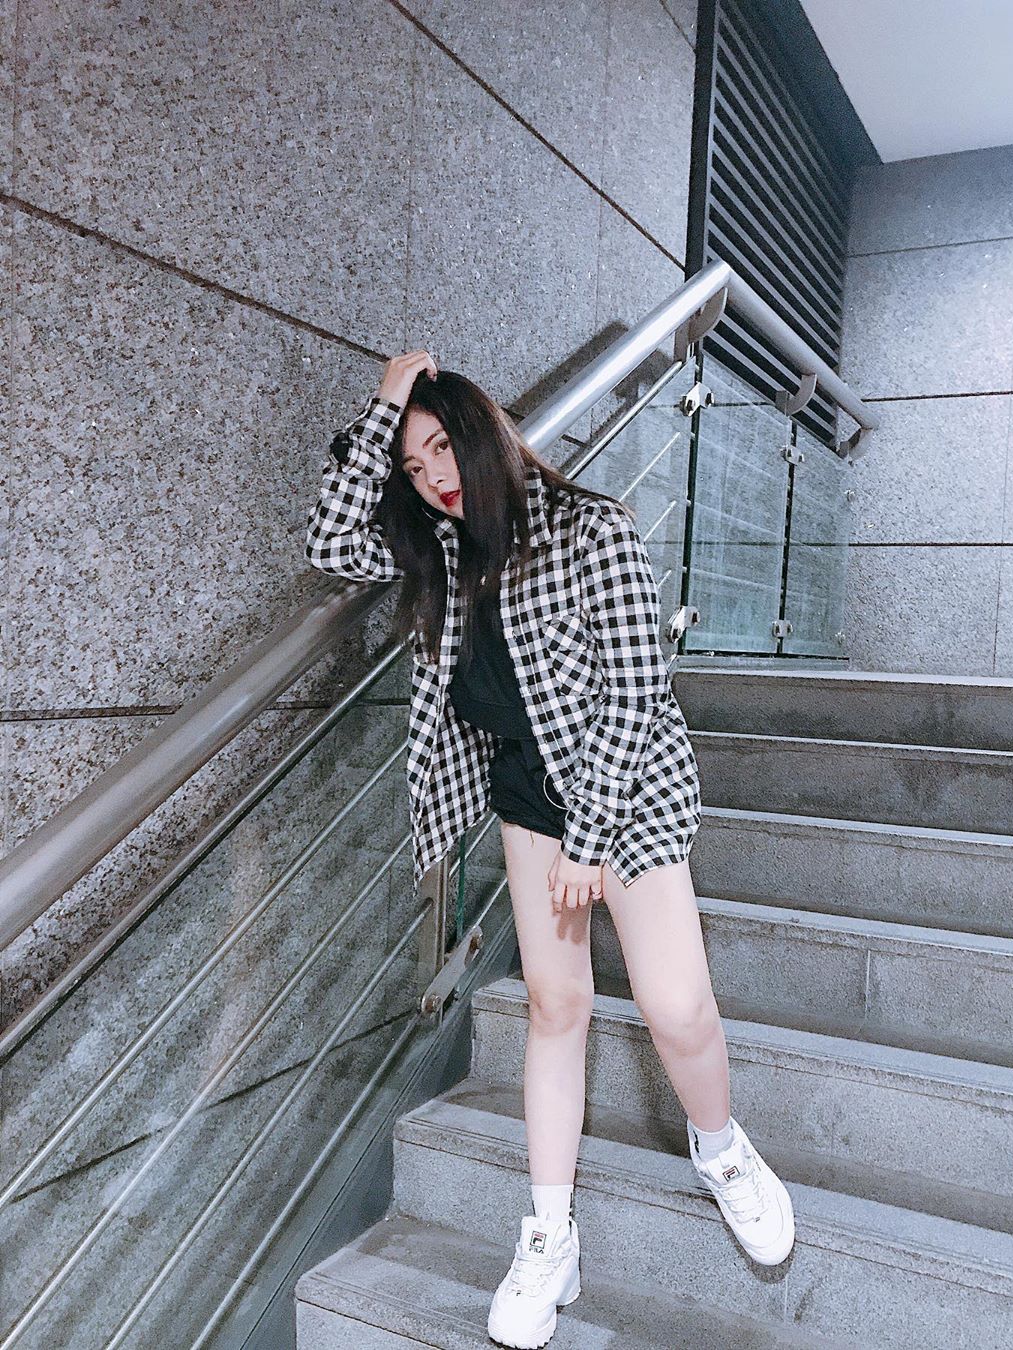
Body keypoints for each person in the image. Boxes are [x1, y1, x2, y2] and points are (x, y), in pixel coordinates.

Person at [305, 349, 795, 1348]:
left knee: (675, 1007)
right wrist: (388, 406)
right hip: (529, 802)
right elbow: (330, 540)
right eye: (413, 466)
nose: (433, 477)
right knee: (555, 1005)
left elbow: (638, 692)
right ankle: (549, 1236)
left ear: (482, 434)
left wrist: (590, 838)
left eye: (443, 448)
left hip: (631, 791)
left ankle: (721, 1148)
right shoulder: (441, 552)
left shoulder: (590, 528)